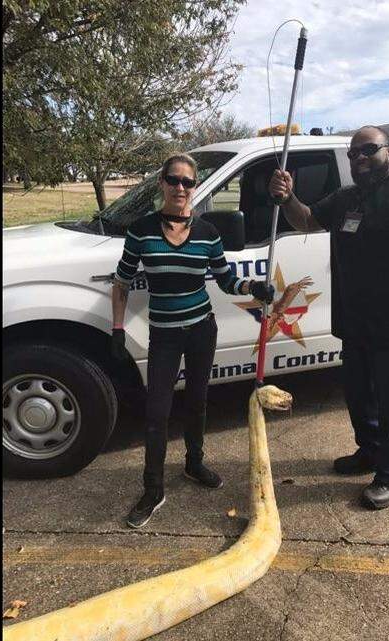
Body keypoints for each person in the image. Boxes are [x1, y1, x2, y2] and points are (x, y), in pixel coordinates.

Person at [268, 125, 389, 509]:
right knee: (361, 400)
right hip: (357, 324)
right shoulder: (347, 198)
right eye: (353, 153)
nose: (359, 157)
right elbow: (306, 220)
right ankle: (371, 452)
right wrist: (288, 197)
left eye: (368, 150)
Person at [111, 153, 275, 528]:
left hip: (202, 329)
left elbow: (226, 279)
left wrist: (254, 287)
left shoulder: (207, 233)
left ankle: (194, 463)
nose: (180, 187)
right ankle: (153, 489)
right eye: (173, 179)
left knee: (198, 401)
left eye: (187, 182)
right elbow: (121, 282)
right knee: (157, 412)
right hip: (164, 335)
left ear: (195, 187)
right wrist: (117, 329)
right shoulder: (141, 230)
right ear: (162, 183)